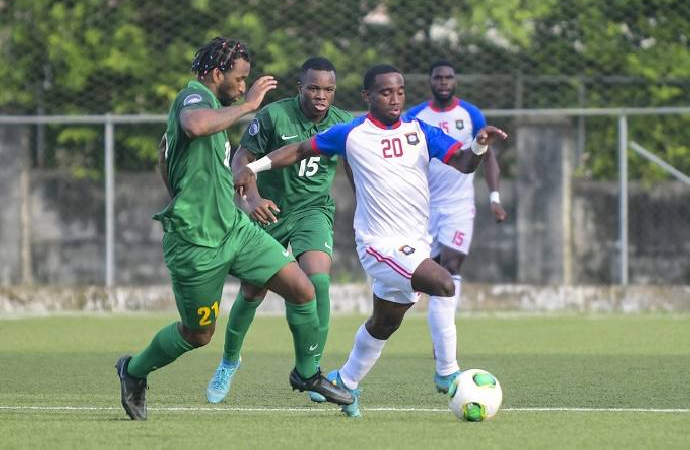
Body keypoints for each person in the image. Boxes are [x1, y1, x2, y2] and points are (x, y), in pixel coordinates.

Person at [233, 64, 507, 418]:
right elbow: (299, 150)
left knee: (385, 323)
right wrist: (251, 170)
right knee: (443, 282)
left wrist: (479, 144)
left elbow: (465, 163)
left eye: (400, 92)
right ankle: (448, 370)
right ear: (367, 96)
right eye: (384, 92)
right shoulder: (351, 134)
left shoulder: (420, 131)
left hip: (414, 244)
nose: (394, 99)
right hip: (379, 244)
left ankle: (345, 381)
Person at [114, 37, 352, 421]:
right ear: (216, 73)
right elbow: (191, 126)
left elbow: (165, 149)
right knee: (197, 334)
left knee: (303, 288)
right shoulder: (194, 98)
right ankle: (134, 370)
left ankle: (307, 375)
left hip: (234, 228)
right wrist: (248, 105)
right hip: (196, 241)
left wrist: (201, 187)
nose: (243, 86)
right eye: (240, 80)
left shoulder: (214, 107)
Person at [206, 57, 353, 404]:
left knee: (318, 279)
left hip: (312, 211)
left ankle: (311, 370)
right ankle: (229, 360)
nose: (321, 95)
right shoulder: (274, 116)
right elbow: (241, 161)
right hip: (269, 212)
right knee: (252, 292)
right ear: (300, 87)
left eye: (328, 89)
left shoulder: (345, 123)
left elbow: (359, 170)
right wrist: (253, 199)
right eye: (314, 88)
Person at [404, 59, 506, 394]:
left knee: (451, 264)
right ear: (430, 81)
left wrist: (493, 195)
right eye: (438, 77)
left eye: (449, 77)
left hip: (459, 206)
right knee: (424, 273)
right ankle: (441, 330)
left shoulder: (472, 115)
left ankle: (443, 348)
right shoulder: (417, 116)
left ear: (455, 81)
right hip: (424, 205)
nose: (444, 82)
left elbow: (486, 154)